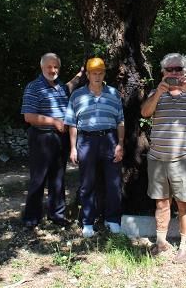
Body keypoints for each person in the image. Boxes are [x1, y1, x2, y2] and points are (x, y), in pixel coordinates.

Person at [141, 53, 186, 263]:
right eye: (169, 70)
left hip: (183, 159)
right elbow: (145, 112)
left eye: (178, 69)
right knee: (161, 203)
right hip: (158, 158)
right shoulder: (155, 92)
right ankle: (161, 242)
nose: (173, 73)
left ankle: (184, 247)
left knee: (184, 204)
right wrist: (158, 94)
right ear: (162, 73)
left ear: (185, 72)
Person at [64, 57, 125, 238]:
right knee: (87, 183)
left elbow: (120, 120)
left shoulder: (114, 94)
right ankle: (88, 221)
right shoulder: (77, 95)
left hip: (109, 139)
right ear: (88, 75)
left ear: (104, 74)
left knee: (113, 183)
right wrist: (73, 148)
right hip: (86, 141)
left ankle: (112, 219)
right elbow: (72, 123)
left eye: (100, 73)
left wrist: (120, 143)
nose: (97, 76)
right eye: (94, 73)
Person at [21, 53, 83, 228]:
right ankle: (31, 218)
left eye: (56, 67)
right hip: (42, 138)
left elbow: (70, 86)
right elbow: (29, 117)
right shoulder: (33, 87)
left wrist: (79, 76)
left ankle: (57, 215)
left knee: (58, 178)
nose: (53, 70)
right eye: (49, 66)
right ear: (42, 67)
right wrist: (55, 122)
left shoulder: (61, 86)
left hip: (60, 139)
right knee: (38, 178)